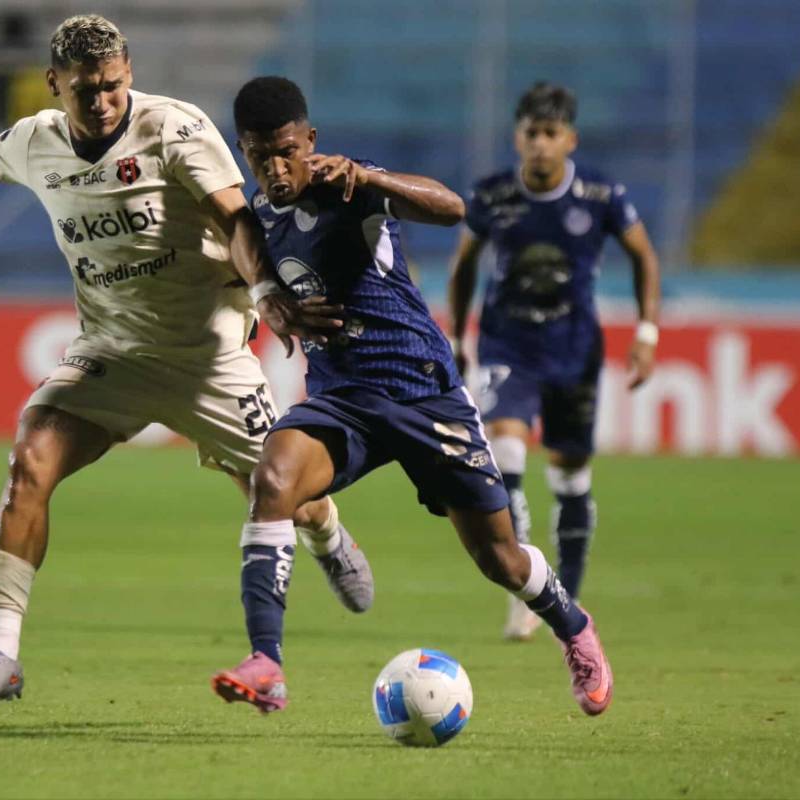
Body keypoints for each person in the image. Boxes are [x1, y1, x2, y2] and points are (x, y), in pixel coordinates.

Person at [0, 15, 372, 708]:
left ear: (128, 71)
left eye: (112, 85)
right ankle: (0, 655)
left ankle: (328, 535)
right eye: (84, 90)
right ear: (53, 85)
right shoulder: (36, 141)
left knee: (288, 496)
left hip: (209, 357)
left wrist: (268, 290)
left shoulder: (174, 129)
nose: (101, 101)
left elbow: (235, 219)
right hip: (112, 354)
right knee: (27, 465)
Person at [211, 76, 612, 717]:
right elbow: (235, 238)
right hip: (344, 401)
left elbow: (453, 208)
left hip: (424, 395)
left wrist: (374, 181)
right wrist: (270, 302)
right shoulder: (258, 220)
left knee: (500, 558)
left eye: (287, 149)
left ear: (309, 140)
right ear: (244, 151)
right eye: (259, 154)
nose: (275, 166)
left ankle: (575, 628)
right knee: (273, 479)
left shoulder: (349, 186)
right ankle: (267, 663)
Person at [449, 83, 661, 640]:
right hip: (507, 344)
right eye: (531, 134)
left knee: (570, 476)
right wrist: (456, 334)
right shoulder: (492, 194)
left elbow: (644, 256)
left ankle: (567, 593)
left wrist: (646, 332)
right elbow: (464, 265)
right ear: (517, 137)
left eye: (550, 134)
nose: (540, 145)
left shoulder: (599, 193)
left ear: (570, 138)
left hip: (574, 349)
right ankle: (525, 591)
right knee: (505, 448)